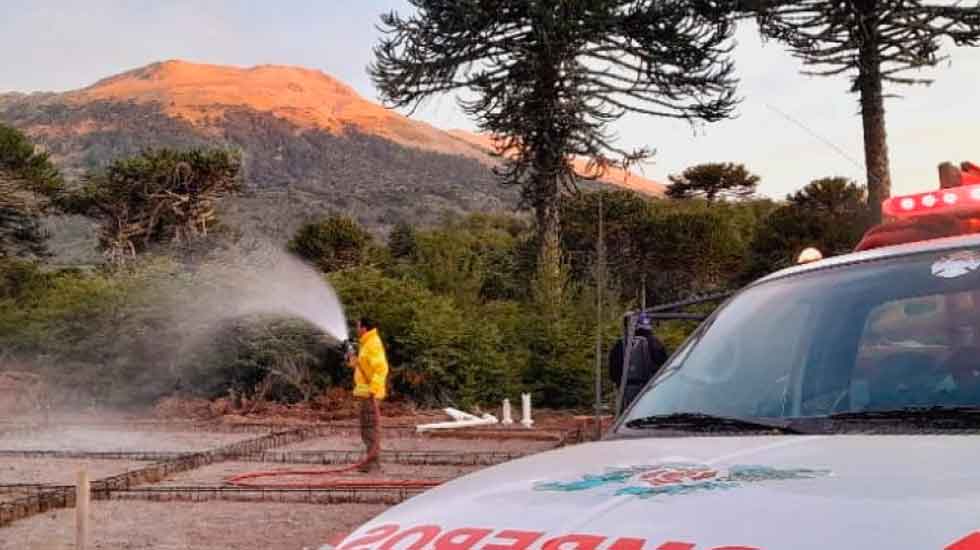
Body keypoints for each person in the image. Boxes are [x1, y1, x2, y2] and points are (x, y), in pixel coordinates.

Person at [348, 316, 389, 473]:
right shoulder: (366, 344)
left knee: (370, 429)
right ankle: (371, 461)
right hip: (365, 394)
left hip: (370, 395)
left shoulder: (372, 344)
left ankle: (373, 463)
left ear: (364, 328)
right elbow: (360, 366)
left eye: (358, 326)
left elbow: (381, 369)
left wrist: (373, 390)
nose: (356, 329)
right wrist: (351, 357)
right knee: (366, 428)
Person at [608, 312, 669, 412]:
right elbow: (665, 367)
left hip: (627, 391)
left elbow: (613, 372)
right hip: (652, 389)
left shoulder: (621, 344)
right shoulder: (656, 343)